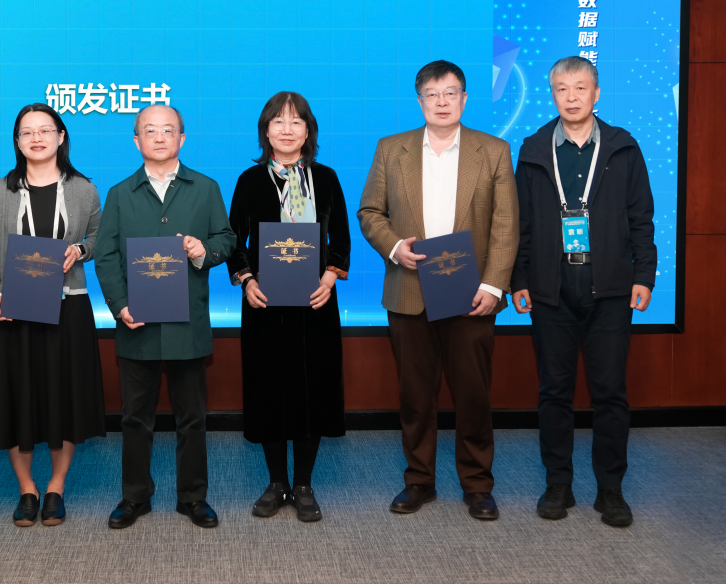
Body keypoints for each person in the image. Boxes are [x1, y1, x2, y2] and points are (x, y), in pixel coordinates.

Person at [357, 60, 517, 521]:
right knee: (415, 396)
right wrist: (394, 247)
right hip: (410, 290)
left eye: (450, 93)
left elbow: (506, 224)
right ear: (420, 100)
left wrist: (494, 285)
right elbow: (370, 212)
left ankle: (478, 485)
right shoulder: (392, 149)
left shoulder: (493, 150)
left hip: (472, 294)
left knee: (473, 395)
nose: (441, 102)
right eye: (432, 94)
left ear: (464, 99)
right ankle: (418, 481)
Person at [510, 56, 655, 528]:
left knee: (610, 392)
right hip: (550, 291)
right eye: (561, 89)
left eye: (580, 88)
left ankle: (611, 489)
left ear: (596, 93)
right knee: (554, 392)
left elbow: (641, 218)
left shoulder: (623, 148)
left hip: (610, 290)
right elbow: (521, 223)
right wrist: (519, 280)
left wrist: (644, 276)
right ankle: (558, 483)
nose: (571, 97)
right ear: (551, 94)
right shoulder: (533, 150)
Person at [94, 104, 237, 530]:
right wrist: (120, 305)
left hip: (186, 324)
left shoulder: (205, 188)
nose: (159, 137)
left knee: (191, 417)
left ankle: (193, 497)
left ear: (182, 139)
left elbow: (227, 239)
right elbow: (105, 255)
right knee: (134, 418)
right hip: (136, 324)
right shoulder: (119, 193)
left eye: (168, 130)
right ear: (136, 140)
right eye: (150, 130)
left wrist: (204, 250)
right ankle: (134, 496)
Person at [0, 103, 106, 528]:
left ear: (61, 137)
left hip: (68, 306)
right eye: (27, 132)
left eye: (45, 130)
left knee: (64, 397)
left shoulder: (84, 189)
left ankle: (56, 487)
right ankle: (27, 488)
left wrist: (79, 249)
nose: (36, 138)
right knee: (18, 398)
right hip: (13, 309)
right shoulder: (0, 191)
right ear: (17, 141)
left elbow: (100, 237)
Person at [228, 92, 350, 523]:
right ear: (266, 131)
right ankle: (276, 481)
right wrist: (247, 281)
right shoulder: (250, 180)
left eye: (296, 122)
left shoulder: (327, 178)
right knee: (269, 390)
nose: (286, 129)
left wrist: (330, 277)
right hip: (264, 304)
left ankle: (303, 484)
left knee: (312, 390)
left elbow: (341, 238)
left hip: (316, 302)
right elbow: (234, 240)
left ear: (308, 130)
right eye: (277, 121)